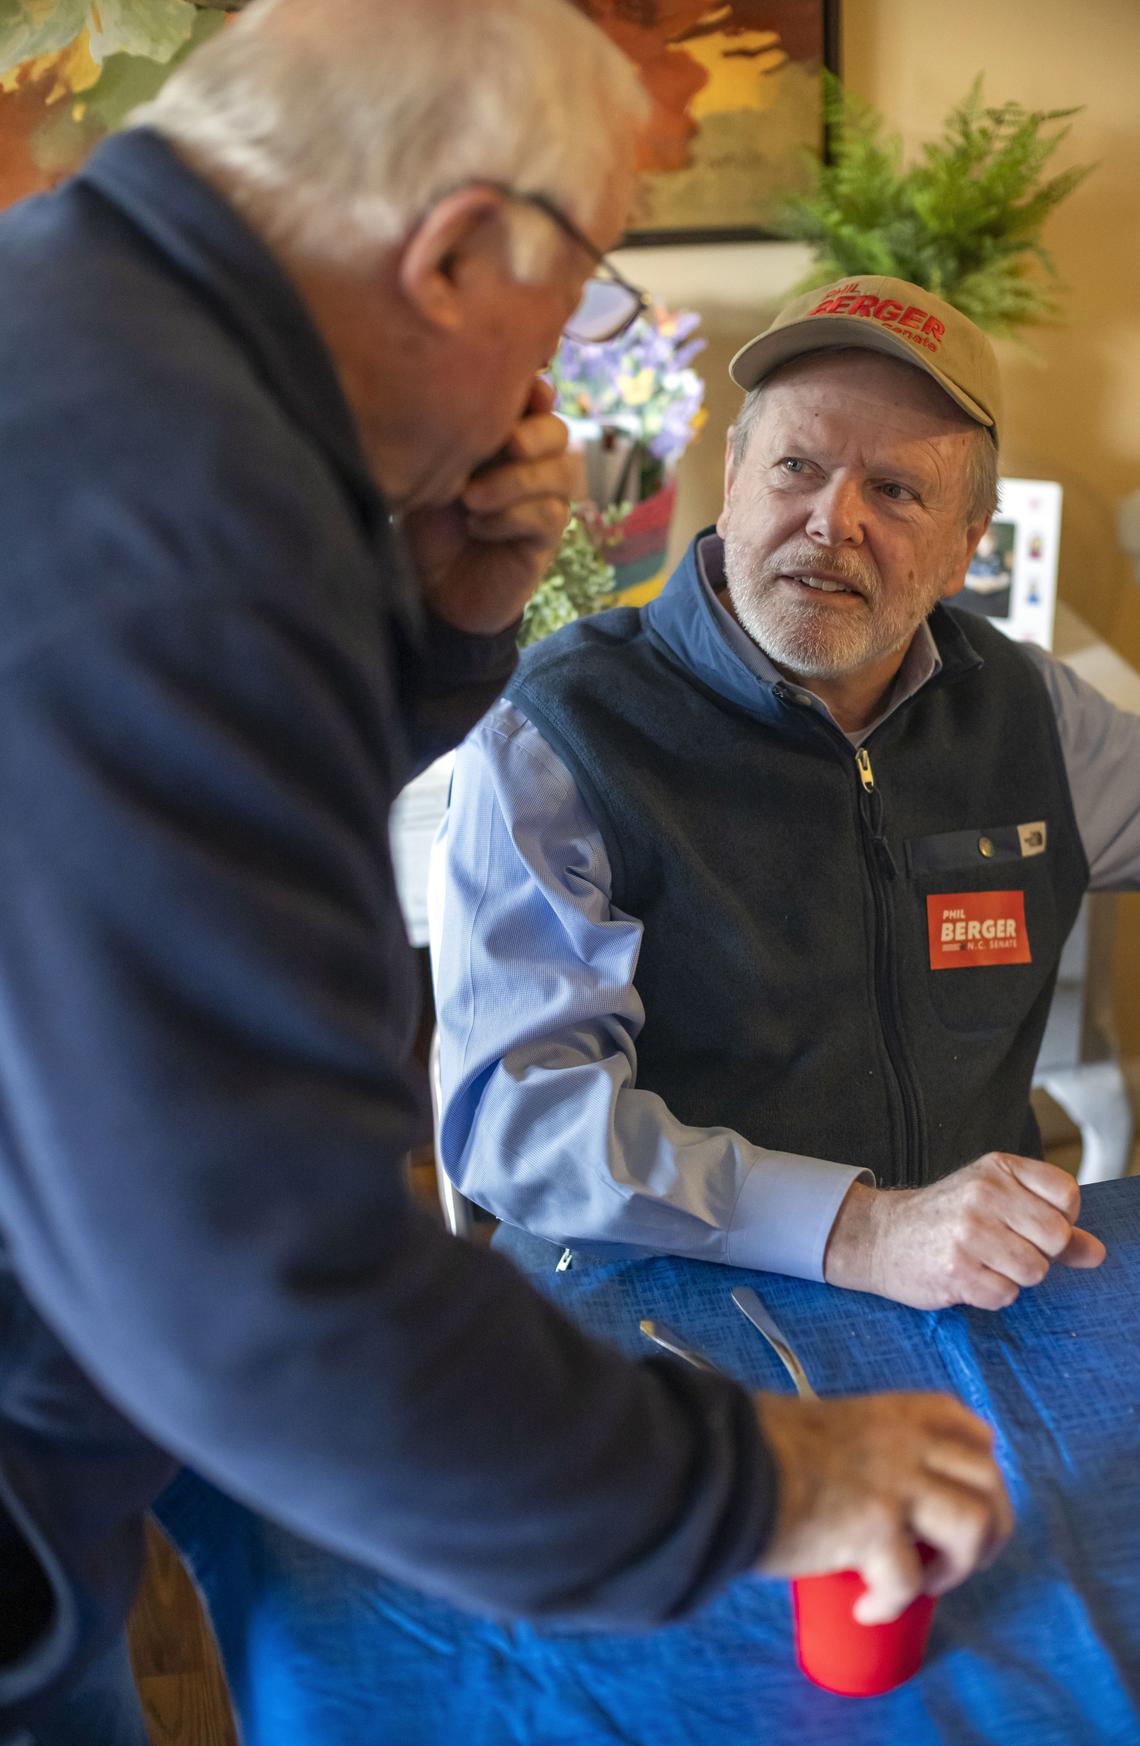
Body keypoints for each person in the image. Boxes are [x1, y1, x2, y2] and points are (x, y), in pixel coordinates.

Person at [0, 10, 1012, 1742]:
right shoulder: (182, 526)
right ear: (460, 251)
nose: (560, 369)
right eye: (581, 293)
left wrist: (430, 628)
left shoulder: (95, 331)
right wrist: (777, 1483)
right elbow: (276, 1301)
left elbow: (172, 841)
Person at [432, 272, 1140, 1316]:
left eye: (895, 491)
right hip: (672, 1311)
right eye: (797, 466)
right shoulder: (561, 732)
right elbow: (523, 1126)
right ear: (733, 478)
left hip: (974, 1299)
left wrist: (914, 1246)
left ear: (967, 545)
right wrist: (859, 1230)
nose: (831, 521)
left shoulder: (1029, 711)